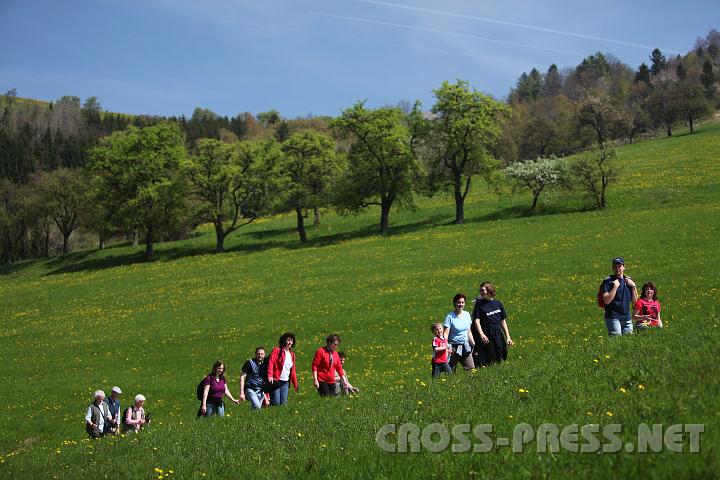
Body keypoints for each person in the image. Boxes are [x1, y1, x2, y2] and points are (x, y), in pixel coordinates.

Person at [472, 281, 514, 366]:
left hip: (497, 332)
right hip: (487, 332)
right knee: (489, 355)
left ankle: (497, 369)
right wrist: (482, 335)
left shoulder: (498, 304)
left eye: (483, 290)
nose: (481, 292)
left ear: (489, 290)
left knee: (500, 352)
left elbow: (503, 321)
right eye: (480, 290)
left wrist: (508, 337)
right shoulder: (479, 305)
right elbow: (477, 321)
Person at [601, 257, 638, 336]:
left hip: (627, 318)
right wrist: (615, 287)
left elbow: (635, 303)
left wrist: (634, 286)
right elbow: (606, 300)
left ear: (624, 267)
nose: (617, 269)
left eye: (619, 266)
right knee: (616, 341)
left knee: (629, 341)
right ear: (612, 268)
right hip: (613, 317)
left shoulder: (628, 281)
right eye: (615, 267)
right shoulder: (608, 281)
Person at [443, 293, 475, 371]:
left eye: (462, 302)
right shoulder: (450, 317)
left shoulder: (467, 314)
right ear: (454, 303)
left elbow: (468, 331)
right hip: (453, 347)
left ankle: (470, 382)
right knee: (451, 370)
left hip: (465, 345)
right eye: (459, 302)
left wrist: (473, 343)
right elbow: (446, 333)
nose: (461, 304)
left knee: (471, 368)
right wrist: (446, 346)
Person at [266, 332, 298, 406]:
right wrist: (270, 376)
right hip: (275, 381)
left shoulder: (292, 354)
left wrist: (295, 384)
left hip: (285, 382)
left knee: (283, 403)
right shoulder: (277, 350)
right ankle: (271, 415)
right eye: (288, 340)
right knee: (276, 402)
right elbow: (271, 363)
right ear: (284, 340)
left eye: (292, 340)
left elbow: (292, 370)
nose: (290, 342)